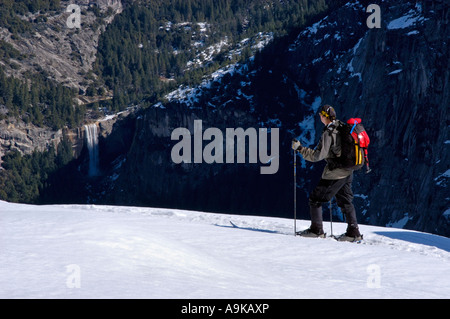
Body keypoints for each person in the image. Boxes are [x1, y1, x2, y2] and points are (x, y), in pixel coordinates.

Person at [292, 105, 362, 242]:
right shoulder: (341, 127)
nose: (319, 117)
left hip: (336, 173)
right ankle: (353, 232)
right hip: (348, 170)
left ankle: (316, 230)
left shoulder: (329, 133)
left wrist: (299, 148)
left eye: (320, 115)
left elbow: (317, 156)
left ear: (324, 116)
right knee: (346, 201)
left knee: (315, 199)